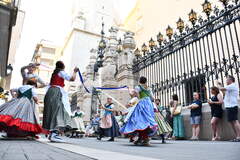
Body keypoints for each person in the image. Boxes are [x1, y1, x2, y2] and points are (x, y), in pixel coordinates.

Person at [42, 61, 79, 142]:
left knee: (52, 112)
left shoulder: (54, 74)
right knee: (59, 112)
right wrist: (75, 71)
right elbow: (72, 79)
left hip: (50, 92)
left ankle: (52, 133)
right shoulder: (61, 72)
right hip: (56, 93)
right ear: (63, 67)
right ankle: (54, 134)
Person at [120, 76, 158, 146]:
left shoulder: (138, 87)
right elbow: (152, 98)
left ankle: (143, 138)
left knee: (139, 120)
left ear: (139, 81)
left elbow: (135, 96)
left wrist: (129, 89)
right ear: (145, 81)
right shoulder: (148, 88)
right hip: (148, 104)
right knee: (146, 120)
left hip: (142, 103)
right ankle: (143, 138)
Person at [217, 76, 240, 142]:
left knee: (235, 121)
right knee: (232, 122)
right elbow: (224, 92)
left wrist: (218, 85)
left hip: (232, 106)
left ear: (230, 80)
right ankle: (237, 136)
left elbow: (221, 89)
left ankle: (239, 136)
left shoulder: (232, 85)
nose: (226, 81)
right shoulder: (229, 87)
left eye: (227, 80)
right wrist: (220, 86)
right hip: (229, 106)